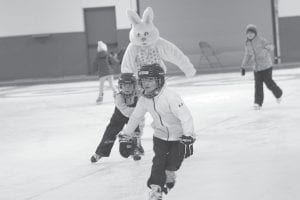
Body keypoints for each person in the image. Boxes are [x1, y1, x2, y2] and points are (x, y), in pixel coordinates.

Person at [118, 63, 196, 200]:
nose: (146, 83)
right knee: (158, 162)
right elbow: (136, 116)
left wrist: (188, 135)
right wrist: (127, 133)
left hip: (179, 137)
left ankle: (170, 173)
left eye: (150, 80)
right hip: (159, 136)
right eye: (143, 80)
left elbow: (186, 116)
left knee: (172, 163)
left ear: (159, 80)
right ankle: (156, 189)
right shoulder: (144, 98)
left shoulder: (170, 96)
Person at [90, 73, 144, 163]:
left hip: (133, 117)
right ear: (120, 86)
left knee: (135, 131)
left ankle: (135, 150)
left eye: (129, 85)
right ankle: (100, 153)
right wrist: (140, 109)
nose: (127, 88)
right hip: (118, 117)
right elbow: (126, 112)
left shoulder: (138, 94)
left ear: (134, 86)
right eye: (124, 85)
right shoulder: (119, 97)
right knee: (110, 133)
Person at [241, 24, 283, 110]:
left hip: (266, 66)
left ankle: (278, 93)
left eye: (252, 33)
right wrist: (243, 66)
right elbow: (247, 55)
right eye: (248, 33)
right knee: (258, 86)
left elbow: (271, 46)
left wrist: (267, 49)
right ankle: (257, 103)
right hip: (256, 68)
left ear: (255, 33)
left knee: (269, 83)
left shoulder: (261, 40)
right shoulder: (247, 43)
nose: (250, 34)